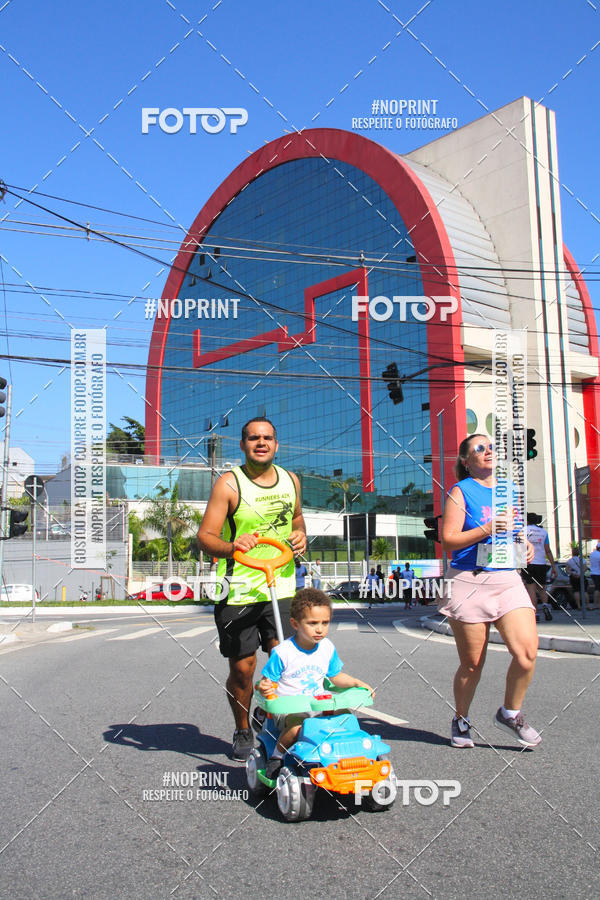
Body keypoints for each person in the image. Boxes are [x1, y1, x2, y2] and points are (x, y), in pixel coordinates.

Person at [197, 417, 307, 761]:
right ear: (243, 445)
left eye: (268, 438)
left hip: (283, 587)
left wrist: (302, 534)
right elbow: (205, 538)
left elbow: (298, 520)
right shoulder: (229, 485)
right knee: (243, 668)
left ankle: (279, 729)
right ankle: (243, 728)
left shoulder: (291, 480)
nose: (262, 443)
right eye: (254, 438)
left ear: (276, 444)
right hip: (238, 589)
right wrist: (233, 547)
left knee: (283, 663)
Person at [439, 434, 540, 749]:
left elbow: (516, 529)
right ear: (467, 461)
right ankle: (461, 718)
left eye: (491, 446)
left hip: (506, 578)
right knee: (473, 663)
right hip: (470, 580)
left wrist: (524, 545)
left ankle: (510, 713)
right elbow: (449, 539)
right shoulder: (461, 491)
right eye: (478, 448)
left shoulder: (510, 490)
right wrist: (485, 529)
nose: (488, 451)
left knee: (526, 654)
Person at [257, 589, 374, 779]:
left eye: (325, 623)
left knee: (346, 719)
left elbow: (335, 677)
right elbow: (267, 682)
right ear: (295, 623)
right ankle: (277, 757)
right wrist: (266, 687)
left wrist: (356, 683)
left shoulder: (327, 647)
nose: (320, 629)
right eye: (312, 623)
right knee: (297, 727)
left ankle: (350, 757)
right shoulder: (282, 652)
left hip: (319, 703)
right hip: (289, 708)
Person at [523, 512, 557, 621]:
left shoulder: (523, 531)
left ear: (527, 521)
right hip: (542, 563)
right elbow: (548, 550)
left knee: (531, 589)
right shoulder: (544, 532)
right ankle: (546, 605)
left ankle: (535, 613)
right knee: (542, 588)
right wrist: (553, 566)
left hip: (529, 562)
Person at [588, 542, 600, 610]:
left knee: (597, 588)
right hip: (598, 573)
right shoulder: (599, 555)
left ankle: (597, 604)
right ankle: (596, 604)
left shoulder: (592, 554)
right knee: (597, 589)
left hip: (593, 572)